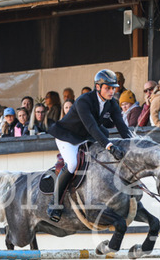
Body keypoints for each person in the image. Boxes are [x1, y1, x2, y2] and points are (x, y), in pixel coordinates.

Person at [46, 69, 132, 222]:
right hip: (67, 136)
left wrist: (132, 144)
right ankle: (54, 204)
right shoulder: (83, 101)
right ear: (98, 87)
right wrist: (110, 147)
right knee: (72, 164)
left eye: (113, 88)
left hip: (85, 136)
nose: (111, 91)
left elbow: (121, 126)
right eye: (108, 88)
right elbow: (92, 127)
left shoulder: (112, 103)